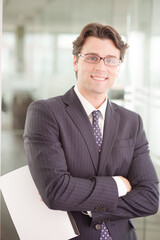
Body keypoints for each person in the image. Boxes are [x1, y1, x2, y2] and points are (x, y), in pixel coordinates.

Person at [24, 23, 159, 240]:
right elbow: (56, 191)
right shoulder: (46, 113)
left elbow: (150, 199)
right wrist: (118, 184)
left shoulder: (132, 121)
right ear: (76, 61)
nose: (101, 67)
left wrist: (91, 207)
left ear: (118, 67)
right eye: (92, 57)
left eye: (110, 60)